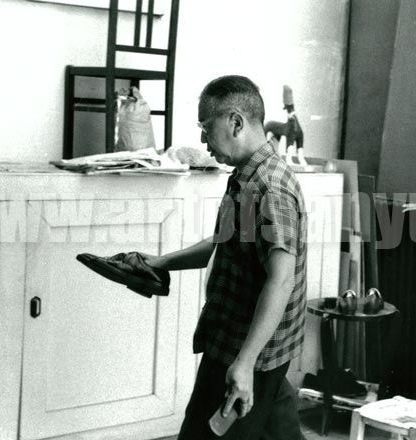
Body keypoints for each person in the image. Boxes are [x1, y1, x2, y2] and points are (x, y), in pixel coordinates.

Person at [111, 75, 307, 439]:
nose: (203, 141)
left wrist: (245, 363)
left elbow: (281, 280)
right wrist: (161, 262)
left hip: (245, 350)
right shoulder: (247, 175)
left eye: (206, 128)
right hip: (254, 346)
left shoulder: (269, 188)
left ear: (235, 122)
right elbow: (224, 242)